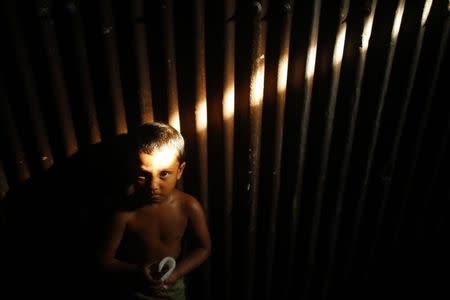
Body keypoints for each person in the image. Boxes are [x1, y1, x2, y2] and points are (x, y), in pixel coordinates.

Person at [96, 122, 211, 300]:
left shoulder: (188, 206)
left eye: (164, 173)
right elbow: (103, 261)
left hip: (173, 286)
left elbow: (203, 247)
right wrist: (136, 271)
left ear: (180, 170)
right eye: (143, 175)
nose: (153, 186)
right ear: (132, 170)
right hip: (134, 288)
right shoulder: (124, 213)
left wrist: (175, 274)